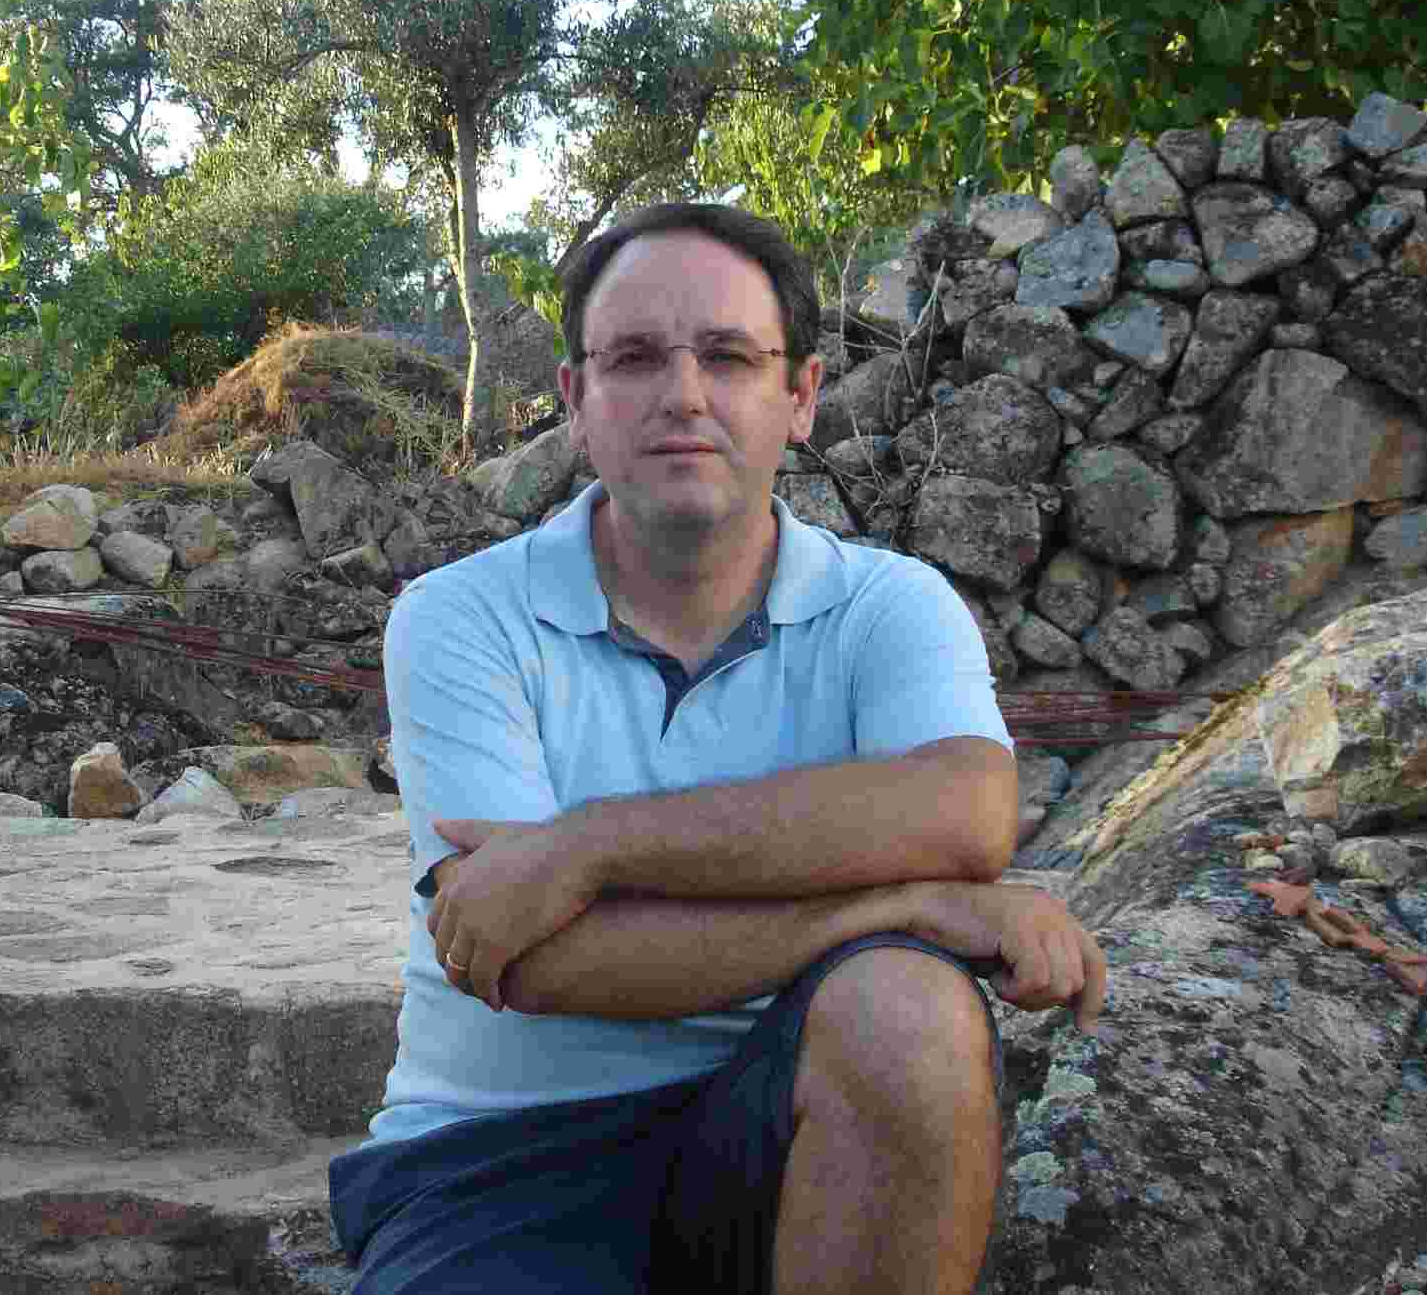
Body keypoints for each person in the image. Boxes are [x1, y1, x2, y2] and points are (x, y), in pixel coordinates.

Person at [330, 202, 1106, 1295]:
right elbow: (533, 959)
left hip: (790, 1128)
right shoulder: (462, 617)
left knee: (908, 1008)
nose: (685, 395)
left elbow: (967, 814)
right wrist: (897, 904)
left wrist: (589, 847)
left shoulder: (889, 607)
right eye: (635, 358)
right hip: (499, 1159)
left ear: (802, 396)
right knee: (900, 955)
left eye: (730, 357)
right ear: (576, 401)